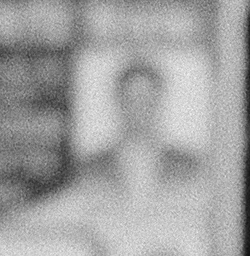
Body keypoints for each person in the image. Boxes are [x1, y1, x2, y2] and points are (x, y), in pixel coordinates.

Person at [74, 58, 203, 204]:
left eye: (146, 101)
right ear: (119, 103)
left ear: (158, 102)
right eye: (132, 100)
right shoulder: (92, 168)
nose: (139, 110)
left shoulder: (187, 166)